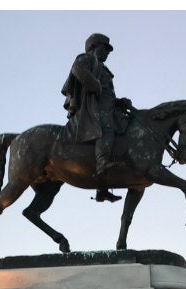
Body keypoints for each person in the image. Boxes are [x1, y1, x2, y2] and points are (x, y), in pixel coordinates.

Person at [61, 33, 129, 202]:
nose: (107, 53)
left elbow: (108, 94)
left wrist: (119, 102)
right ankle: (102, 163)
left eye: (108, 51)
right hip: (92, 107)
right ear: (93, 47)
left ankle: (102, 189)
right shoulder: (85, 58)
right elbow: (77, 70)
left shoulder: (103, 68)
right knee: (106, 127)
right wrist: (95, 85)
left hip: (108, 106)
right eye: (104, 49)